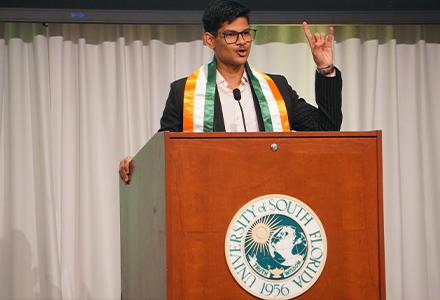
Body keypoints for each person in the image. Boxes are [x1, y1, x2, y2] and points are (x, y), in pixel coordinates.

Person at [119, 0, 342, 185]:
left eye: (246, 33)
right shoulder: (184, 93)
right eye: (231, 35)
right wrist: (135, 164)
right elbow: (163, 152)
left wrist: (325, 69)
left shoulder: (276, 88)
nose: (242, 42)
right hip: (211, 196)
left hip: (268, 197)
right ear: (210, 40)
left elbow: (326, 127)